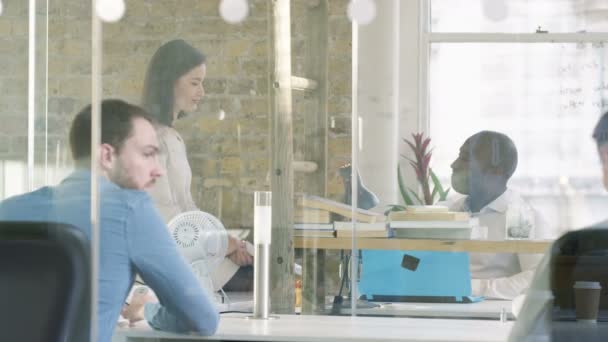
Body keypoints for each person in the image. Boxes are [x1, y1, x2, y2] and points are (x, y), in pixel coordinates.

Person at [0, 100, 219, 342]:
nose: (159, 170)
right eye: (148, 154)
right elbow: (202, 318)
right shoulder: (131, 210)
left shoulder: (8, 210)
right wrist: (146, 310)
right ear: (106, 155)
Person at [142, 39, 253, 291]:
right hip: (175, 259)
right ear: (169, 82)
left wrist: (227, 244)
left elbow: (188, 211)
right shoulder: (150, 138)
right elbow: (165, 217)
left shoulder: (171, 136)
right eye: (195, 83)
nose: (201, 92)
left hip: (193, 251)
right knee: (269, 281)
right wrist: (225, 244)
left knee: (268, 269)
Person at [448, 130, 548, 299]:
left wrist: (473, 287)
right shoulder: (451, 210)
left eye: (465, 158)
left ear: (497, 172)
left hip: (491, 317)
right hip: (441, 309)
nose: (454, 164)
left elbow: (536, 278)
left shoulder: (520, 218)